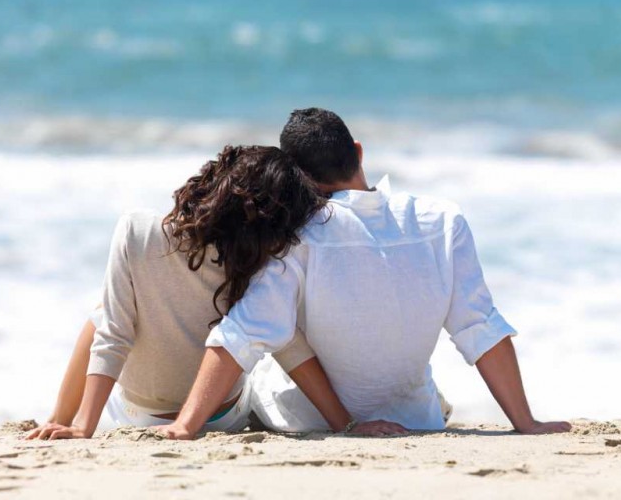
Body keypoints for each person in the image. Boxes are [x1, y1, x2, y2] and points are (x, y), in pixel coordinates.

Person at [156, 108, 572, 439]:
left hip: (304, 420)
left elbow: (242, 334)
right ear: (358, 151)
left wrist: (185, 425)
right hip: (416, 418)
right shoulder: (443, 221)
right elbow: (480, 328)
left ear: (296, 179)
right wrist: (526, 423)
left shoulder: (299, 237)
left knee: (266, 350)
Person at [27, 145, 407, 440]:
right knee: (266, 332)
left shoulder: (136, 231)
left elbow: (114, 336)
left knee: (105, 313)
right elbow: (289, 344)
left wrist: (83, 427)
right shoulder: (258, 257)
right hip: (223, 416)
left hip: (137, 414)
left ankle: (60, 420)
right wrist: (346, 423)